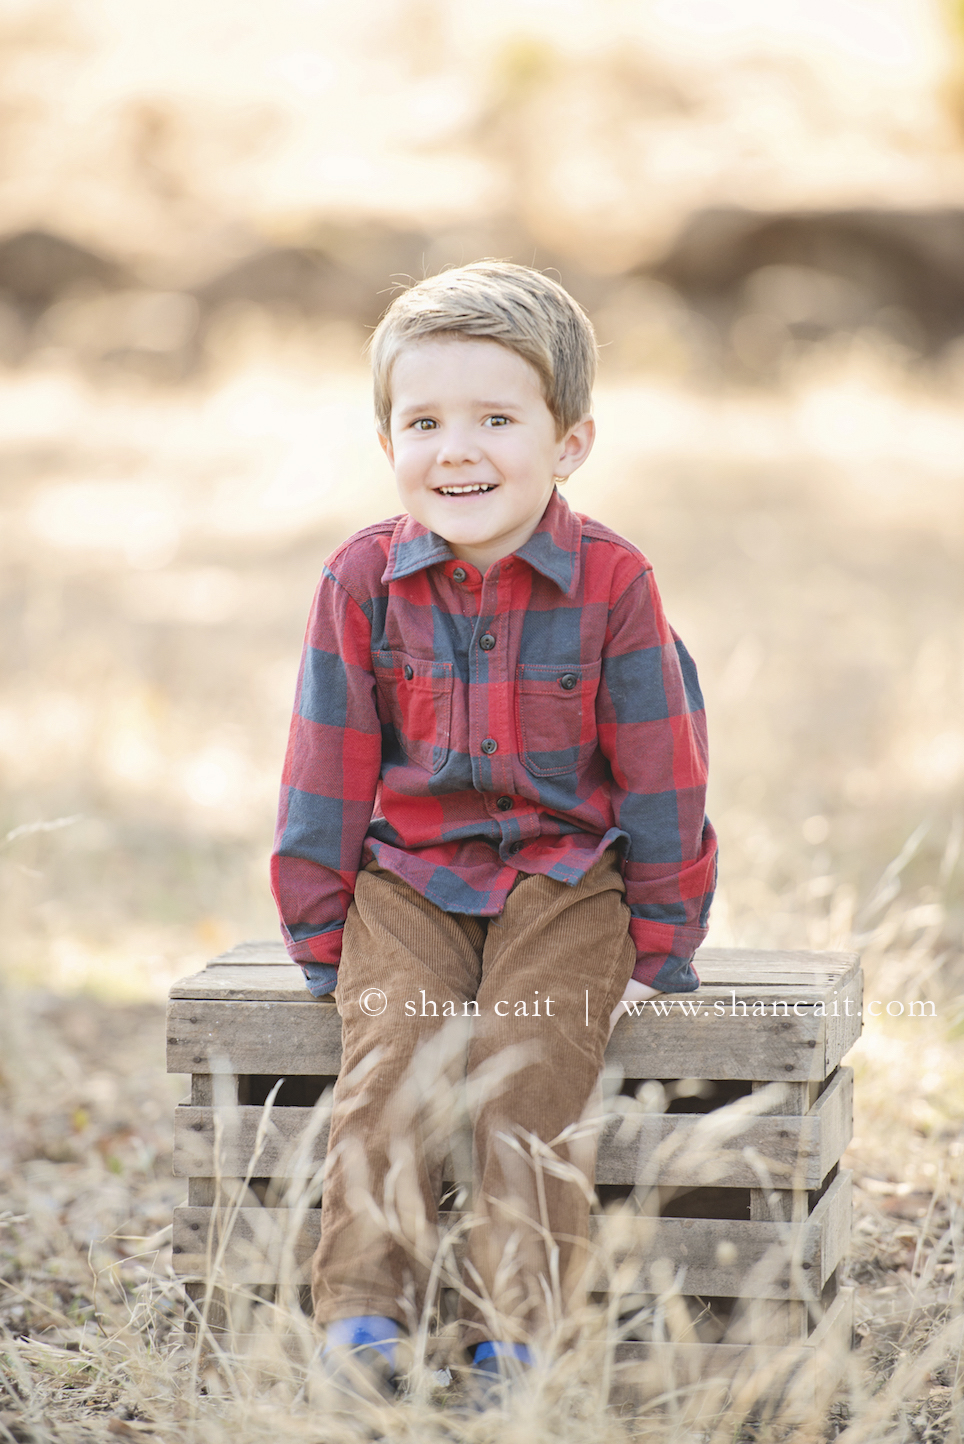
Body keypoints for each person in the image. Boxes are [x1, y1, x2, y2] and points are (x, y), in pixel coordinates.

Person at [270, 261, 717, 1406]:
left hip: (568, 877)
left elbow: (662, 771)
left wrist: (662, 945)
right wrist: (323, 937)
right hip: (410, 876)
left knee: (527, 1064)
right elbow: (325, 765)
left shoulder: (614, 580)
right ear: (387, 442)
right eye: (423, 421)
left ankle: (512, 1337)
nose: (455, 450)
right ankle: (362, 1318)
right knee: (395, 1057)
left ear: (568, 443)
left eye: (495, 419)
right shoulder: (361, 578)